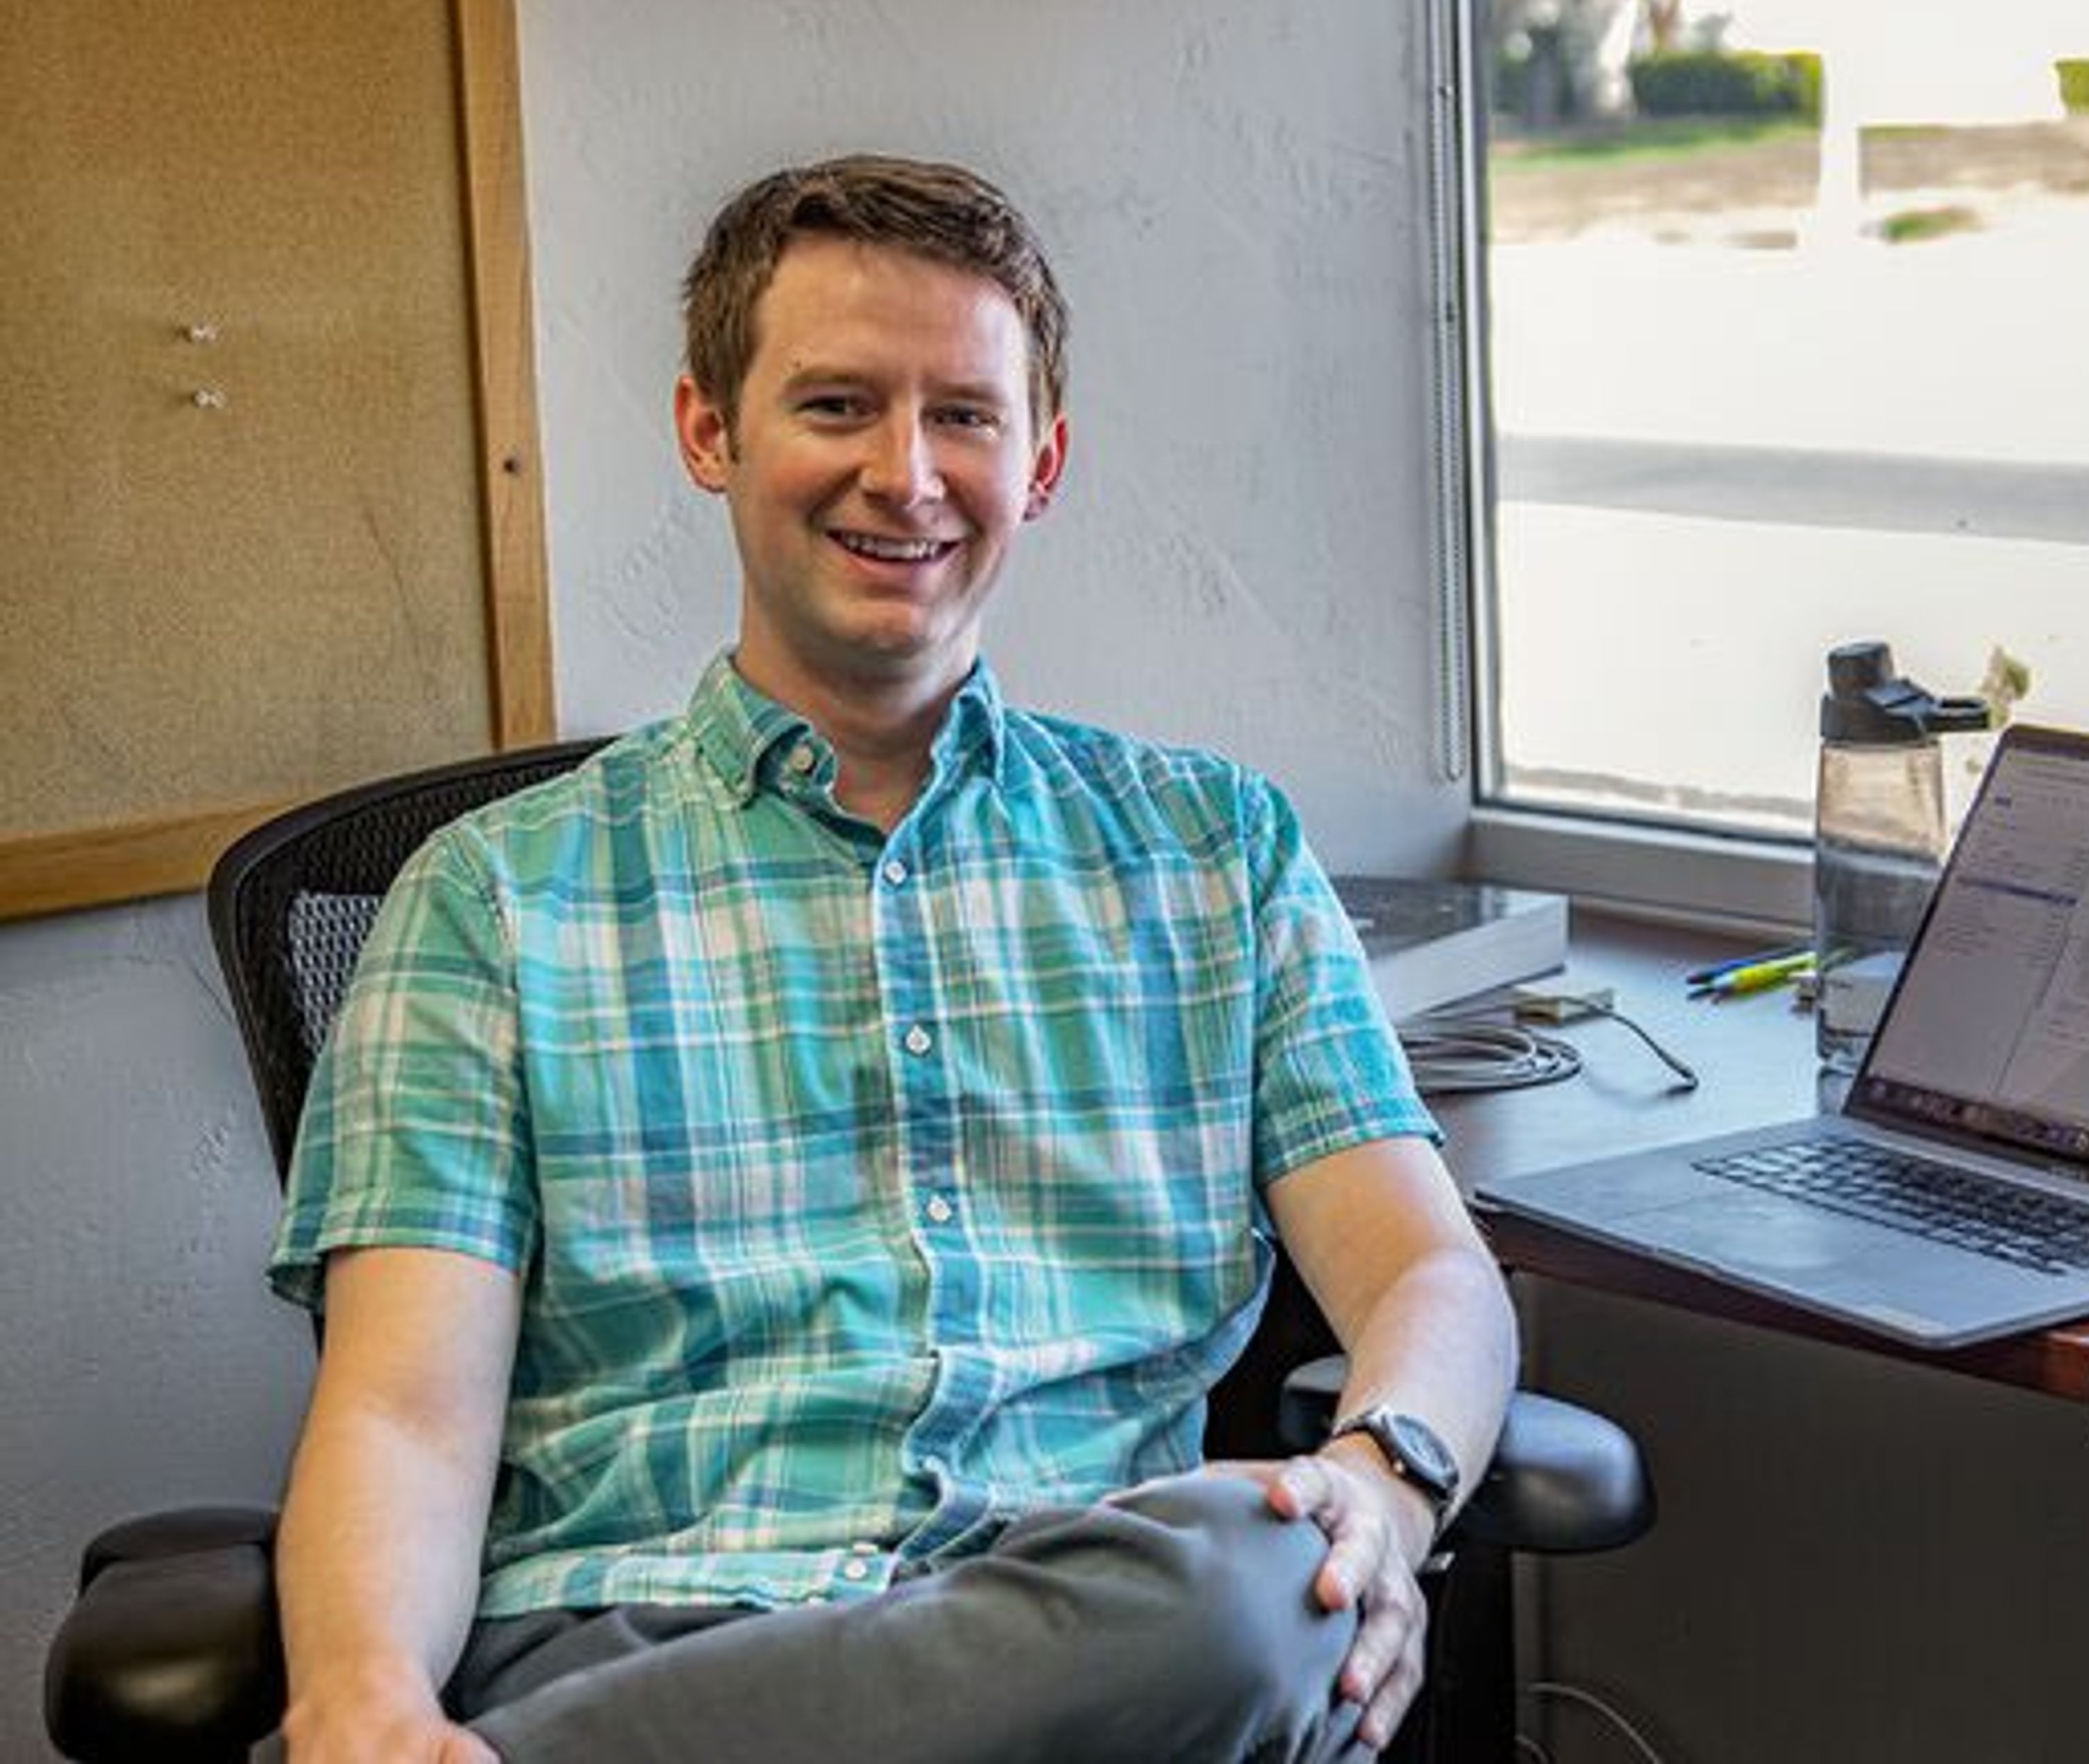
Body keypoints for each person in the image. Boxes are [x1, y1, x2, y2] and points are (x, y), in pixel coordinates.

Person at [266, 153, 1516, 1763]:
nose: (906, 475)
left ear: (1041, 461)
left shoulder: (1215, 851)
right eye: (838, 404)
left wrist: (1385, 1484)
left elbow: (1427, 1274)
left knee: (1268, 1570)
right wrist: (357, 1699)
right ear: (710, 432)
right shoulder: (497, 901)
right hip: (658, 1622)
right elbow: (406, 1411)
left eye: (965, 417)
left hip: (1114, 1639)